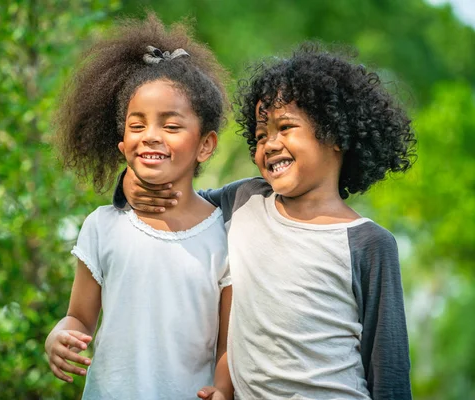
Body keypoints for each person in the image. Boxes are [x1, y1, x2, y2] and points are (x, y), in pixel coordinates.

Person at [119, 43, 416, 400]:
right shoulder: (245, 200)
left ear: (335, 135)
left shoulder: (368, 243)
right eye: (261, 135)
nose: (270, 144)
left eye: (285, 127)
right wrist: (128, 183)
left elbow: (389, 366)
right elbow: (175, 199)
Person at [44, 14, 234, 400]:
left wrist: (223, 389)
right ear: (121, 143)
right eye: (137, 124)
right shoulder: (102, 225)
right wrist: (59, 334)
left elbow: (227, 345)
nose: (151, 136)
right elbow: (79, 315)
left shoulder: (225, 234)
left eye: (171, 125)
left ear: (206, 144)